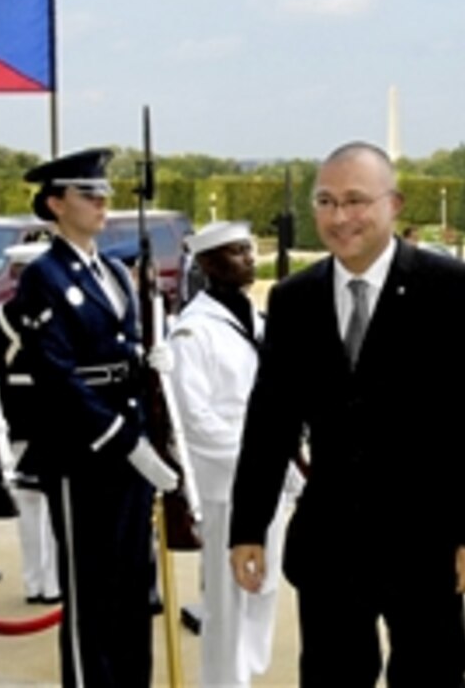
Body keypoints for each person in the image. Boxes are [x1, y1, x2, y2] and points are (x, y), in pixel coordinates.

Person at [229, 142, 465, 686]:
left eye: (356, 200)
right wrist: (246, 525)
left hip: (428, 549)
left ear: (395, 204)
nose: (340, 217)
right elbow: (270, 421)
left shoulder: (453, 290)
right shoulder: (296, 301)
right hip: (330, 550)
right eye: (326, 201)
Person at [12, 148, 178, 687]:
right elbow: (56, 373)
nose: (103, 203)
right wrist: (123, 439)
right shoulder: (46, 275)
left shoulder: (112, 271)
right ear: (56, 203)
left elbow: (122, 349)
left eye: (106, 193)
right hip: (84, 451)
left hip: (130, 448)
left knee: (133, 588)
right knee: (93, 594)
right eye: (89, 194)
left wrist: (148, 365)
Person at [164, 220, 300, 686]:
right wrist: (256, 461)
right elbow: (195, 419)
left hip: (268, 480)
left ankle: (247, 675)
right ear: (206, 264)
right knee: (227, 598)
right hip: (225, 484)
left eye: (248, 249)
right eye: (234, 252)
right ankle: (223, 681)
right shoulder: (193, 331)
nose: (248, 259)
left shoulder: (255, 319)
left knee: (264, 589)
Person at [0, 241, 61, 605]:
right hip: (48, 413)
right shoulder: (56, 312)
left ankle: (35, 582)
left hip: (13, 417)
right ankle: (52, 582)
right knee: (50, 505)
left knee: (29, 509)